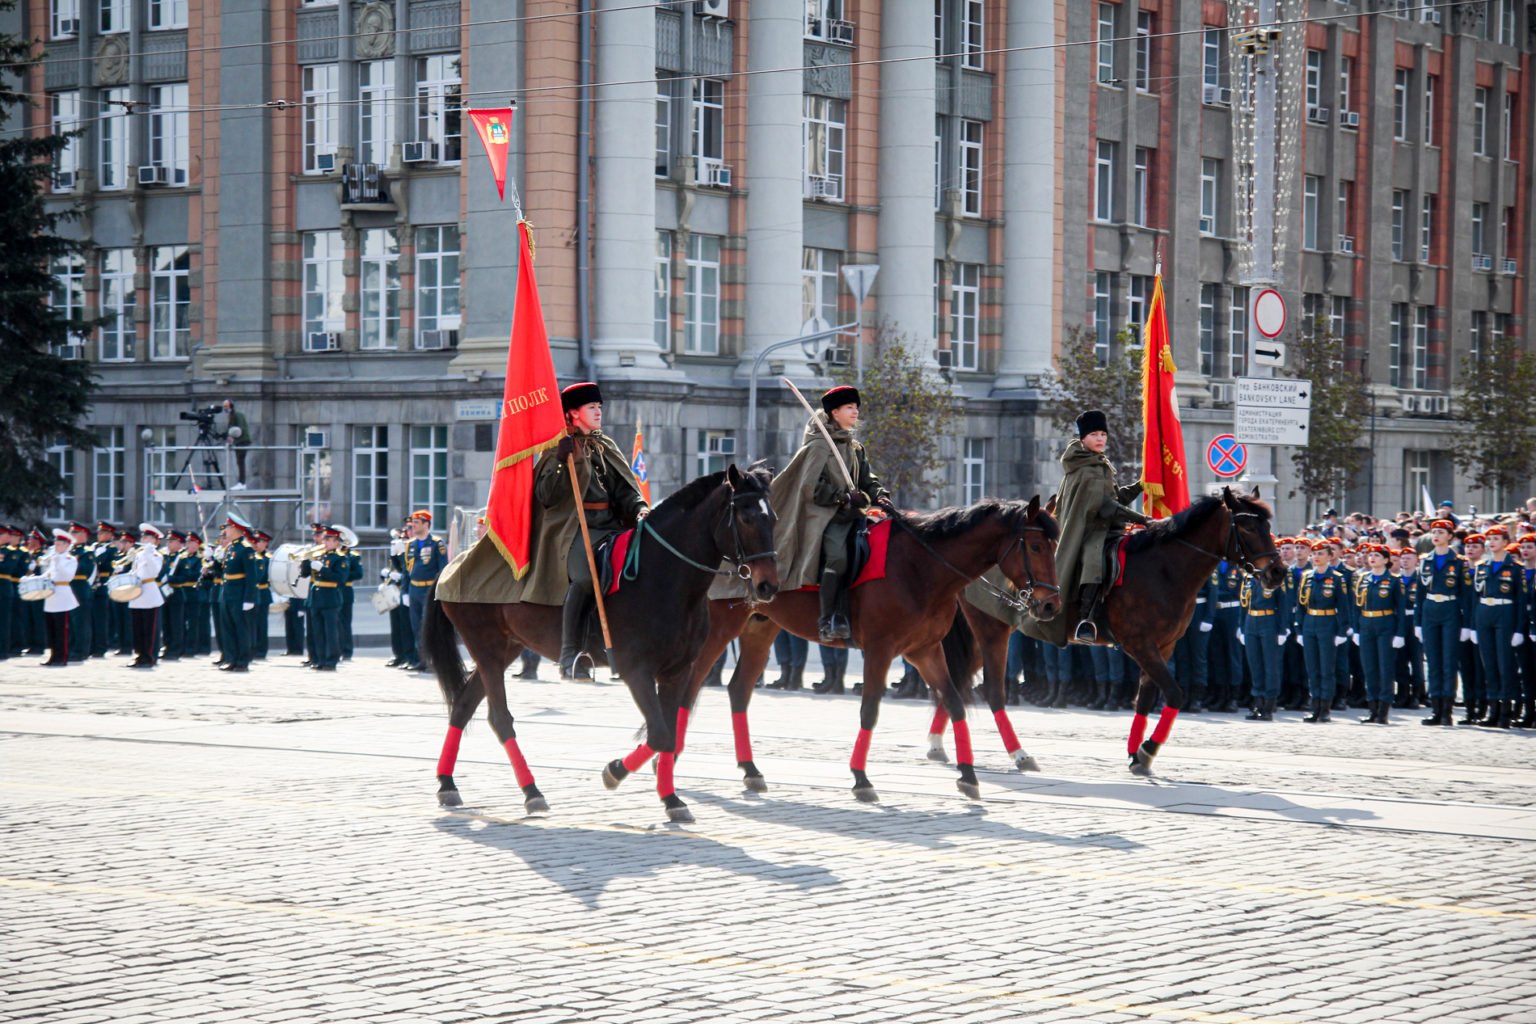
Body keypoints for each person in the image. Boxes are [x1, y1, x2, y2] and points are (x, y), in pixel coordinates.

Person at [534, 382, 648, 679]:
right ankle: (569, 654)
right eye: (591, 408)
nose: (598, 412)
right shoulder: (558, 447)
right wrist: (560, 461)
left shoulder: (605, 445)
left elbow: (626, 489)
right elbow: (546, 495)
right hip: (574, 530)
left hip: (612, 526)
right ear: (573, 413)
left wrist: (639, 508)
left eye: (599, 407)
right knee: (585, 577)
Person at [1054, 410, 1148, 644]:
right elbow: (1106, 507)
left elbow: (1114, 499)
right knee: (1095, 560)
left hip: (1105, 527)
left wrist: (1142, 485)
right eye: (1094, 434)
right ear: (1083, 438)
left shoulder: (1098, 463)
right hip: (1087, 532)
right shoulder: (1087, 469)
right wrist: (1144, 520)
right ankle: (1086, 620)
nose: (1100, 439)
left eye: (1103, 434)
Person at [1472, 525, 1524, 729]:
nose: (1491, 542)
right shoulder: (1481, 566)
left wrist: (1519, 629)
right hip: (1485, 613)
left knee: (1505, 664)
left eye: (1496, 539)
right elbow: (1475, 597)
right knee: (1489, 664)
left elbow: (1521, 601)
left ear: (1505, 542)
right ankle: (1493, 709)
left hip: (1505, 613)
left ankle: (1506, 711)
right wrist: (1474, 625)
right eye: (1489, 539)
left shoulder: (1514, 568)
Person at [1297, 540, 1350, 723]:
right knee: (1312, 668)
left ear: (1329, 556)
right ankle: (1315, 706)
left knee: (1326, 668)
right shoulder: (1306, 577)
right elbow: (1301, 605)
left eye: (1321, 554)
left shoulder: (1336, 578)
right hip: (1310, 622)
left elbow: (1343, 606)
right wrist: (1300, 629)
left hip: (1328, 622)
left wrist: (1342, 631)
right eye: (1314, 554)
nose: (1316, 557)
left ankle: (1325, 708)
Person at [1352, 544, 1407, 724]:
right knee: (1369, 668)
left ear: (1386, 559)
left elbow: (1400, 609)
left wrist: (1400, 633)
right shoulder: (1362, 579)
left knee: (1385, 669)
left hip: (1386, 624)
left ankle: (1383, 710)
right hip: (1366, 624)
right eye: (1371, 555)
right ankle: (1372, 708)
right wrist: (1356, 630)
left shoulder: (1394, 580)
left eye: (1377, 555)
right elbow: (1356, 607)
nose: (1373, 558)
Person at [1240, 567, 1289, 721]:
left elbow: (1283, 605)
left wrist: (1282, 630)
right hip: (1250, 622)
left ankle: (1269, 705)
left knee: (1271, 666)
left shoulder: (1275, 578)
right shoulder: (1248, 579)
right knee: (1255, 665)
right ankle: (1258, 702)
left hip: (1269, 621)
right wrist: (1241, 627)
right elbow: (1244, 605)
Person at [403, 510, 446, 673]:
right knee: (416, 625)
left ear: (426, 524)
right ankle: (422, 659)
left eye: (416, 523)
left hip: (429, 589)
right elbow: (407, 570)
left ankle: (433, 660)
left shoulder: (437, 543)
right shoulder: (410, 544)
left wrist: (438, 591)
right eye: (413, 523)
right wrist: (405, 592)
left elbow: (442, 568)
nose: (413, 526)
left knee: (430, 626)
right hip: (414, 589)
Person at [215, 514, 257, 672]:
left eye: (228, 527)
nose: (225, 530)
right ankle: (230, 658)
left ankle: (242, 660)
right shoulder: (230, 547)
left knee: (240, 627)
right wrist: (214, 563)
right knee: (227, 628)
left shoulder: (245, 549)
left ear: (236, 529)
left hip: (239, 594)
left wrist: (249, 598)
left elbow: (251, 576)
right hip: (227, 592)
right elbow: (224, 572)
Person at [304, 525, 348, 671]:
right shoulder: (321, 556)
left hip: (330, 597)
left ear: (337, 542)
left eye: (329, 539)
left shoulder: (340, 558)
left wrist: (322, 569)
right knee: (317, 631)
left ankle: (331, 661)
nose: (326, 542)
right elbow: (305, 574)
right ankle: (320, 659)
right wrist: (305, 562)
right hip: (316, 597)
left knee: (330, 632)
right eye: (325, 539)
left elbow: (340, 578)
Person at [126, 524, 166, 669]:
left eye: (148, 537)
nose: (144, 539)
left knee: (150, 628)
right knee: (138, 628)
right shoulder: (139, 554)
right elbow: (135, 571)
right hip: (137, 592)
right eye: (144, 537)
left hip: (150, 591)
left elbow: (155, 571)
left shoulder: (156, 555)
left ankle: (149, 656)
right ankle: (139, 655)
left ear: (156, 541)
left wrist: (149, 553)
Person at [41, 528, 79, 667]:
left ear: (67, 545)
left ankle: (62, 657)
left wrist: (58, 561)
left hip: (63, 594)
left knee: (61, 629)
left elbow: (68, 576)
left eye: (59, 543)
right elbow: (48, 574)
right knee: (51, 629)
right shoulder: (54, 559)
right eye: (56, 543)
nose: (56, 546)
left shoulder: (70, 559)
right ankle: (53, 656)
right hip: (51, 595)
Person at [383, 525, 417, 669]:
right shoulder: (400, 546)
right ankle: (399, 655)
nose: (405, 534)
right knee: (396, 625)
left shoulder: (414, 548)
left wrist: (401, 576)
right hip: (396, 590)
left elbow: (410, 571)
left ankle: (411, 657)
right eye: (404, 532)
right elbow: (396, 568)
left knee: (408, 626)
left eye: (409, 530)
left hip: (409, 591)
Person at [65, 521, 94, 662]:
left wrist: (70, 562)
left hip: (80, 586)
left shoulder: (87, 552)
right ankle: (70, 648)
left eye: (75, 532)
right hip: (68, 586)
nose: (72, 535)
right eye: (71, 532)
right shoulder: (69, 552)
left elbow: (84, 569)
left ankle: (81, 651)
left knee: (80, 621)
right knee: (70, 621)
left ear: (84, 535)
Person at [159, 531, 190, 661]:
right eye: (168, 541)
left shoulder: (183, 558)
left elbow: (185, 577)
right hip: (165, 594)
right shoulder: (165, 557)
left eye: (172, 541)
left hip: (176, 592)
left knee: (176, 624)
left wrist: (171, 578)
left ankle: (175, 649)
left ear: (179, 543)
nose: (169, 543)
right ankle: (166, 646)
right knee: (166, 623)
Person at [249, 530, 273, 659]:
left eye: (260, 542)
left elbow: (261, 577)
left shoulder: (267, 559)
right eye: (255, 541)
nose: (256, 544)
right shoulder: (251, 556)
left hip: (263, 593)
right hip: (252, 592)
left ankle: (261, 650)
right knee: (252, 623)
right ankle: (252, 648)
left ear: (266, 544)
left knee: (261, 624)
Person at [223, 399, 252, 490]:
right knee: (239, 461)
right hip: (239, 441)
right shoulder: (232, 416)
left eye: (226, 406)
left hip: (243, 440)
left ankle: (242, 482)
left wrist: (233, 437)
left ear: (231, 406)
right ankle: (241, 482)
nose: (225, 408)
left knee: (240, 461)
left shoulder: (237, 415)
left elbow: (239, 428)